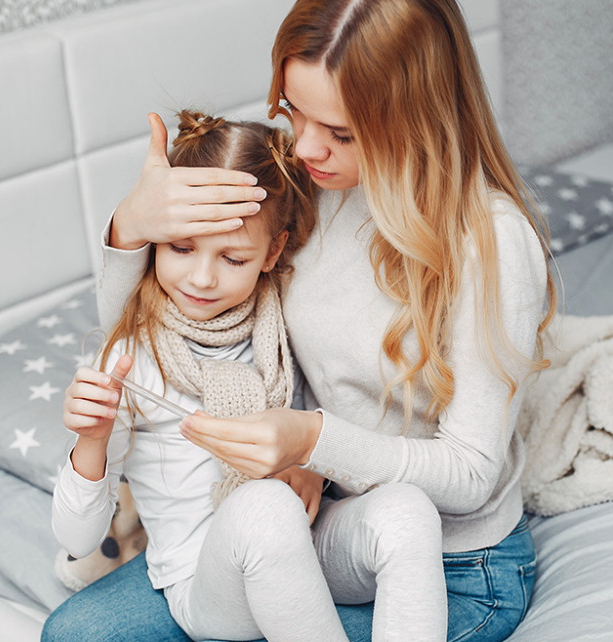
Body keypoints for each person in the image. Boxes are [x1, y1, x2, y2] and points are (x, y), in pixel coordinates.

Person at [42, 0, 556, 641]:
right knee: (79, 635)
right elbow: (153, 334)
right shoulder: (308, 184)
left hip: (456, 561)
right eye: (293, 111)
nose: (306, 149)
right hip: (314, 523)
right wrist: (133, 226)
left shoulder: (490, 242)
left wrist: (314, 442)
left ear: (417, 118)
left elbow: (471, 477)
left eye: (340, 131)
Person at [51, 110, 448, 642]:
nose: (202, 277)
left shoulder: (281, 324)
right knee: (263, 505)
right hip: (206, 583)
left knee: (407, 508)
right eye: (182, 248)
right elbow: (76, 536)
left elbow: (314, 426)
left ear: (273, 252)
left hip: (305, 548)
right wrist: (92, 441)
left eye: (233, 257)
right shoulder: (132, 356)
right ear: (156, 240)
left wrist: (315, 467)